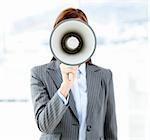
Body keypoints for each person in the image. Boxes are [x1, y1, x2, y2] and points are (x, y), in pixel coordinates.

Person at [30, 8, 117, 140]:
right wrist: (65, 87)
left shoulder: (104, 76)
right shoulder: (40, 74)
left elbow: (110, 127)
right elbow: (44, 125)